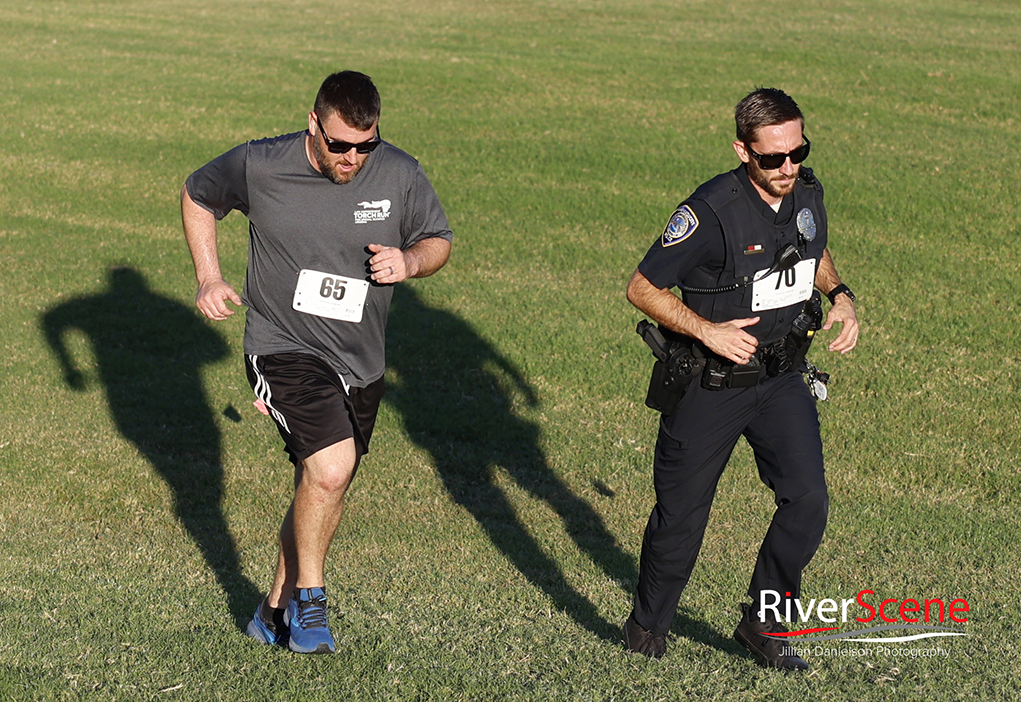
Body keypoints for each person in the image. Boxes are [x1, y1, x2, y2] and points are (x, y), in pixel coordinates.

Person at [181, 70, 452, 654]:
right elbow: (198, 194)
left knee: (320, 483)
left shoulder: (401, 173)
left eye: (365, 145)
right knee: (330, 469)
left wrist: (410, 262)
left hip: (361, 361)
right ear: (313, 125)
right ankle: (311, 599)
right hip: (282, 347)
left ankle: (269, 612)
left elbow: (438, 239)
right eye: (338, 145)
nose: (352, 158)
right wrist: (209, 277)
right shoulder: (261, 164)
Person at [622, 87, 858, 670]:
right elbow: (641, 288)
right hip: (712, 385)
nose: (788, 168)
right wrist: (708, 331)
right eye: (772, 158)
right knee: (681, 519)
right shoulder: (709, 212)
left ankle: (762, 622)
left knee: (807, 500)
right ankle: (647, 630)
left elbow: (813, 248)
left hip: (780, 378)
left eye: (797, 152)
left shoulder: (804, 188)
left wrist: (840, 294)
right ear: (742, 150)